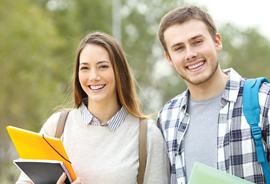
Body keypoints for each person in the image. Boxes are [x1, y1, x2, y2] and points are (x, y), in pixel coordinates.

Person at [156, 5, 270, 184]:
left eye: (197, 42)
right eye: (179, 48)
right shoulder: (167, 117)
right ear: (169, 59)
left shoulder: (267, 99)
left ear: (217, 42)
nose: (190, 54)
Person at [16, 32, 170, 184]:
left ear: (119, 71)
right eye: (85, 68)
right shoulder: (57, 127)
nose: (93, 76)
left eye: (102, 66)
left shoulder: (147, 135)